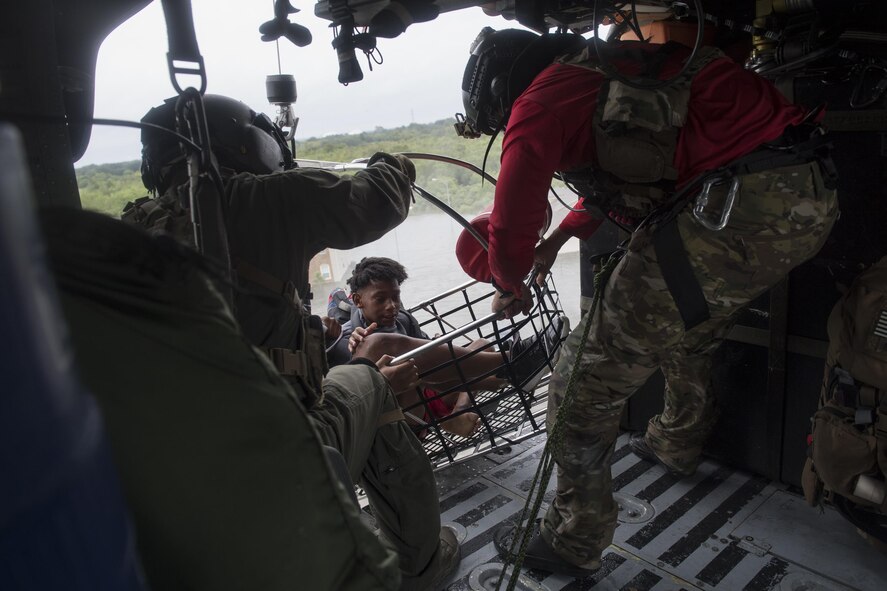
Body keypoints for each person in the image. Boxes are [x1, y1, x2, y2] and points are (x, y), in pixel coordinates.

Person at [455, 27, 838, 576]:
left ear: (501, 89)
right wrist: (558, 242)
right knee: (686, 321)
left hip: (737, 208)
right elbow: (622, 177)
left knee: (579, 385)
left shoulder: (538, 101)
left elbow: (511, 224)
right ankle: (676, 441)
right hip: (805, 195)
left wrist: (510, 282)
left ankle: (573, 539)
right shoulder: (610, 69)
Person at [122, 93, 458, 590]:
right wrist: (391, 165)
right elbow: (379, 202)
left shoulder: (133, 230)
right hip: (270, 455)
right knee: (369, 381)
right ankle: (418, 567)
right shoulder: (261, 197)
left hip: (175, 469)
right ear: (247, 144)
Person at [329, 256, 567, 436]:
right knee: (406, 362)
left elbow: (433, 361)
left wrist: (433, 345)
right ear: (358, 301)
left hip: (432, 391)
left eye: (396, 297)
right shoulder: (351, 339)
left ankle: (479, 397)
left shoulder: (403, 319)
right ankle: (512, 367)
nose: (392, 306)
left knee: (481, 345)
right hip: (406, 413)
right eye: (380, 299)